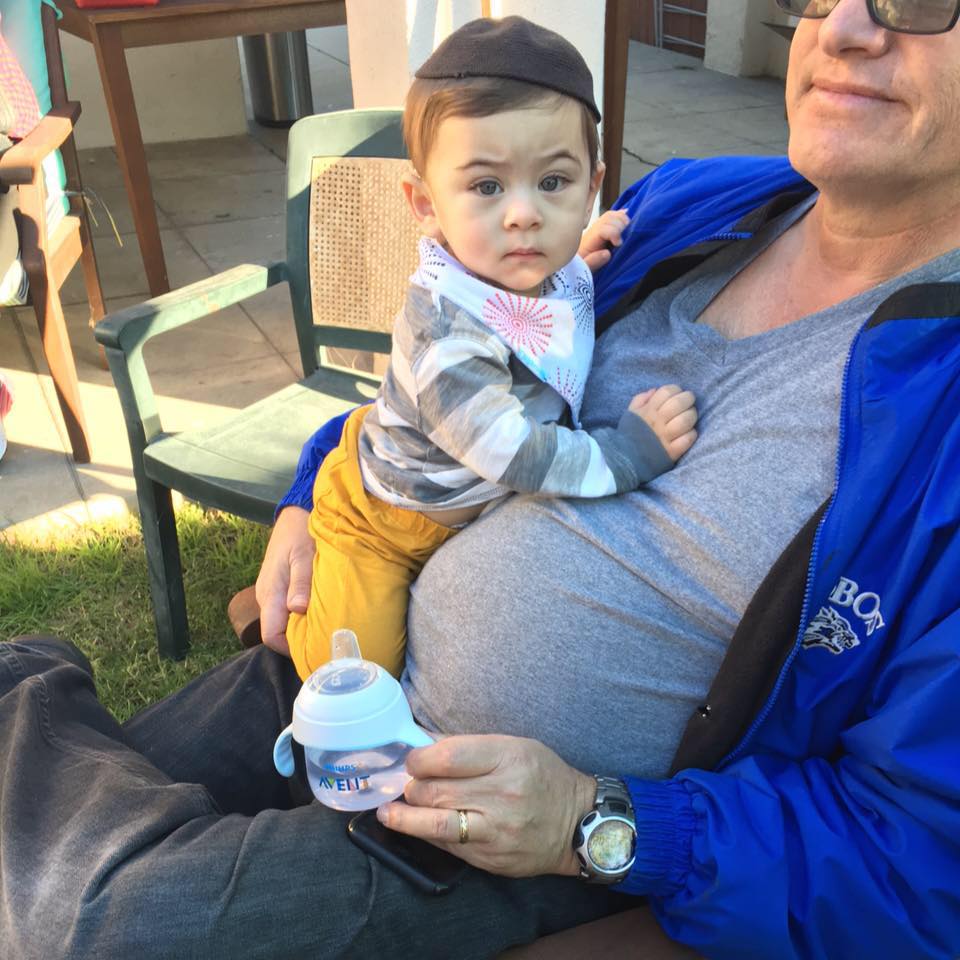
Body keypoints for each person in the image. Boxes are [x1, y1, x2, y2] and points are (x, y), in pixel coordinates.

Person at [3, 1, 960, 957]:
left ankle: (21, 680)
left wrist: (593, 822)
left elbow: (922, 861)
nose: (845, 27)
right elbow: (452, 375)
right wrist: (318, 487)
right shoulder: (686, 209)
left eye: (918, 0)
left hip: (482, 827)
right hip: (348, 667)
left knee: (95, 925)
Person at [286, 17, 698, 681]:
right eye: (486, 187)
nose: (524, 214)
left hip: (451, 492)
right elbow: (513, 452)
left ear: (593, 186)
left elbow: (543, 298)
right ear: (425, 204)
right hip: (387, 517)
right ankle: (289, 622)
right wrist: (625, 455)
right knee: (355, 667)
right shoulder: (446, 330)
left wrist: (579, 255)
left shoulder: (539, 269)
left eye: (554, 183)